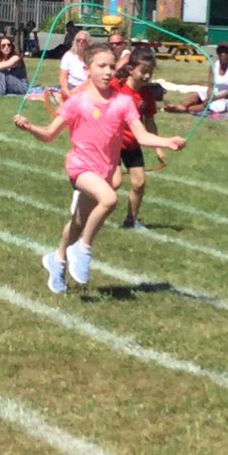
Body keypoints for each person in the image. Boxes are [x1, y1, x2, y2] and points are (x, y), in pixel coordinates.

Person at [14, 42, 185, 292]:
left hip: (103, 172)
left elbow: (141, 135)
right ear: (87, 69)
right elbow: (50, 134)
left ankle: (57, 260)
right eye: (101, 66)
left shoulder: (123, 102)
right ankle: (82, 248)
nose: (107, 72)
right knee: (109, 199)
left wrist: (166, 142)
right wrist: (30, 127)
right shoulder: (77, 102)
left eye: (112, 67)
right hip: (80, 168)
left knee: (78, 222)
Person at [110, 46, 165, 230]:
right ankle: (87, 204)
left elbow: (150, 122)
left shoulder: (147, 94)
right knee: (114, 182)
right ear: (131, 68)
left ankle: (131, 220)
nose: (147, 76)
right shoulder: (117, 87)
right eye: (143, 71)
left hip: (132, 144)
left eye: (150, 72)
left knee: (139, 183)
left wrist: (158, 147)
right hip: (113, 143)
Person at [163, 42, 228, 113]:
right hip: (216, 94)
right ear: (217, 53)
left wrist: (215, 98)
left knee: (211, 106)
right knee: (196, 94)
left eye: (226, 51)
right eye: (220, 51)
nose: (223, 54)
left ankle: (182, 109)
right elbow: (210, 85)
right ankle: (181, 106)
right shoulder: (214, 65)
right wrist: (209, 97)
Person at [59, 29, 91, 97]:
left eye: (83, 41)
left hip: (87, 86)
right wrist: (65, 89)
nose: (80, 42)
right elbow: (63, 76)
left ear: (88, 42)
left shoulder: (92, 56)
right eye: (78, 40)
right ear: (75, 42)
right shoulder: (68, 56)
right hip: (72, 86)